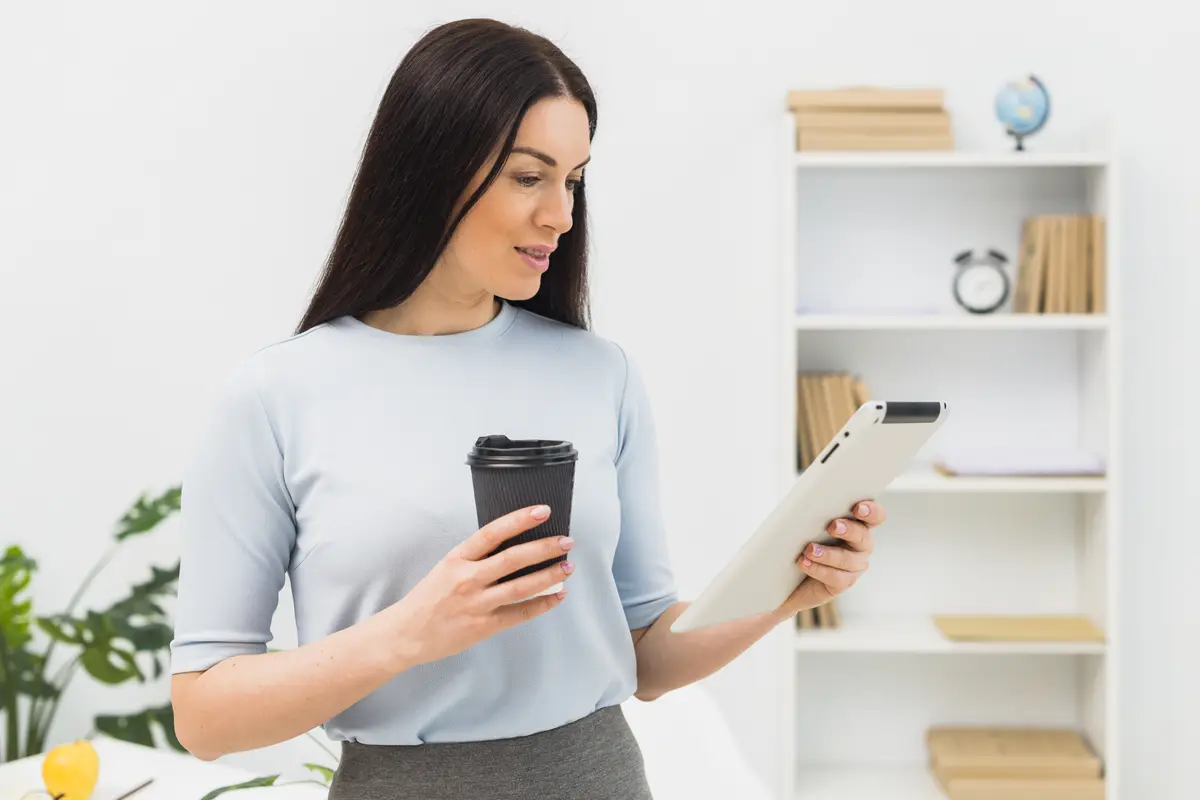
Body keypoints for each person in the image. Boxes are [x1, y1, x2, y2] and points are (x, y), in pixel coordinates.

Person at [167, 17, 886, 800]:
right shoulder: (277, 397)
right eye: (528, 176)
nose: (562, 215)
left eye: (573, 179)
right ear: (433, 165)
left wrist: (788, 588)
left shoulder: (598, 373)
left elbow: (644, 654)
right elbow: (204, 717)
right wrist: (410, 633)